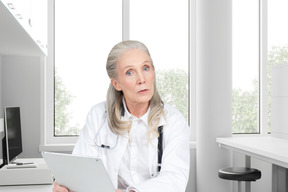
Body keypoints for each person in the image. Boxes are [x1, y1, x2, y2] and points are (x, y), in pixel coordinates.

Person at [53, 40, 190, 192]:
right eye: (130, 72)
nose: (142, 79)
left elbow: (174, 179)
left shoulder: (173, 121)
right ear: (116, 84)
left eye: (146, 68)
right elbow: (82, 168)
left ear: (153, 72)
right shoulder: (98, 116)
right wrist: (68, 184)